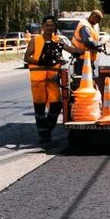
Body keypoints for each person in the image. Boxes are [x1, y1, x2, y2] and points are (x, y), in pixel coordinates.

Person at [24, 15, 81, 143]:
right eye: (47, 25)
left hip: (52, 79)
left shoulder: (58, 41)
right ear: (43, 26)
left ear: (55, 27)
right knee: (40, 108)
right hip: (38, 80)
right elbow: (27, 58)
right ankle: (44, 135)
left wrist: (81, 51)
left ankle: (48, 127)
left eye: (52, 25)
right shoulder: (35, 40)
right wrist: (40, 62)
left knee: (56, 104)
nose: (49, 28)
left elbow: (71, 50)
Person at [71, 9, 106, 79]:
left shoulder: (90, 26)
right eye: (97, 20)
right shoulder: (85, 26)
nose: (97, 22)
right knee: (84, 80)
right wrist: (100, 44)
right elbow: (88, 42)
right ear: (94, 16)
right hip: (83, 58)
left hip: (87, 59)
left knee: (88, 80)